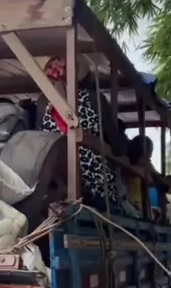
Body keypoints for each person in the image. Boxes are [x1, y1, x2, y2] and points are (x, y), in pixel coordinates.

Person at [38, 56, 120, 211]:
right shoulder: (94, 98)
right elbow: (118, 145)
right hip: (94, 183)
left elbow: (38, 138)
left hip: (53, 180)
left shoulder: (43, 103)